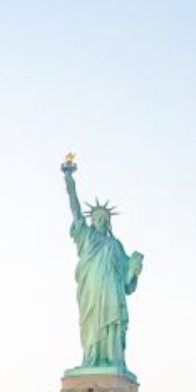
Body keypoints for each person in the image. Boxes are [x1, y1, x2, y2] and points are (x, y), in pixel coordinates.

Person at [61, 155, 144, 373]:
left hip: (111, 293)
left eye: (104, 219)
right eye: (97, 218)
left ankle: (111, 361)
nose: (101, 221)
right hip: (91, 291)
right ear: (92, 221)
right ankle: (92, 360)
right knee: (90, 327)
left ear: (108, 223)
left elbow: (127, 281)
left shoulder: (115, 245)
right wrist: (69, 182)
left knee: (111, 326)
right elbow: (75, 210)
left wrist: (134, 268)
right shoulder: (86, 237)